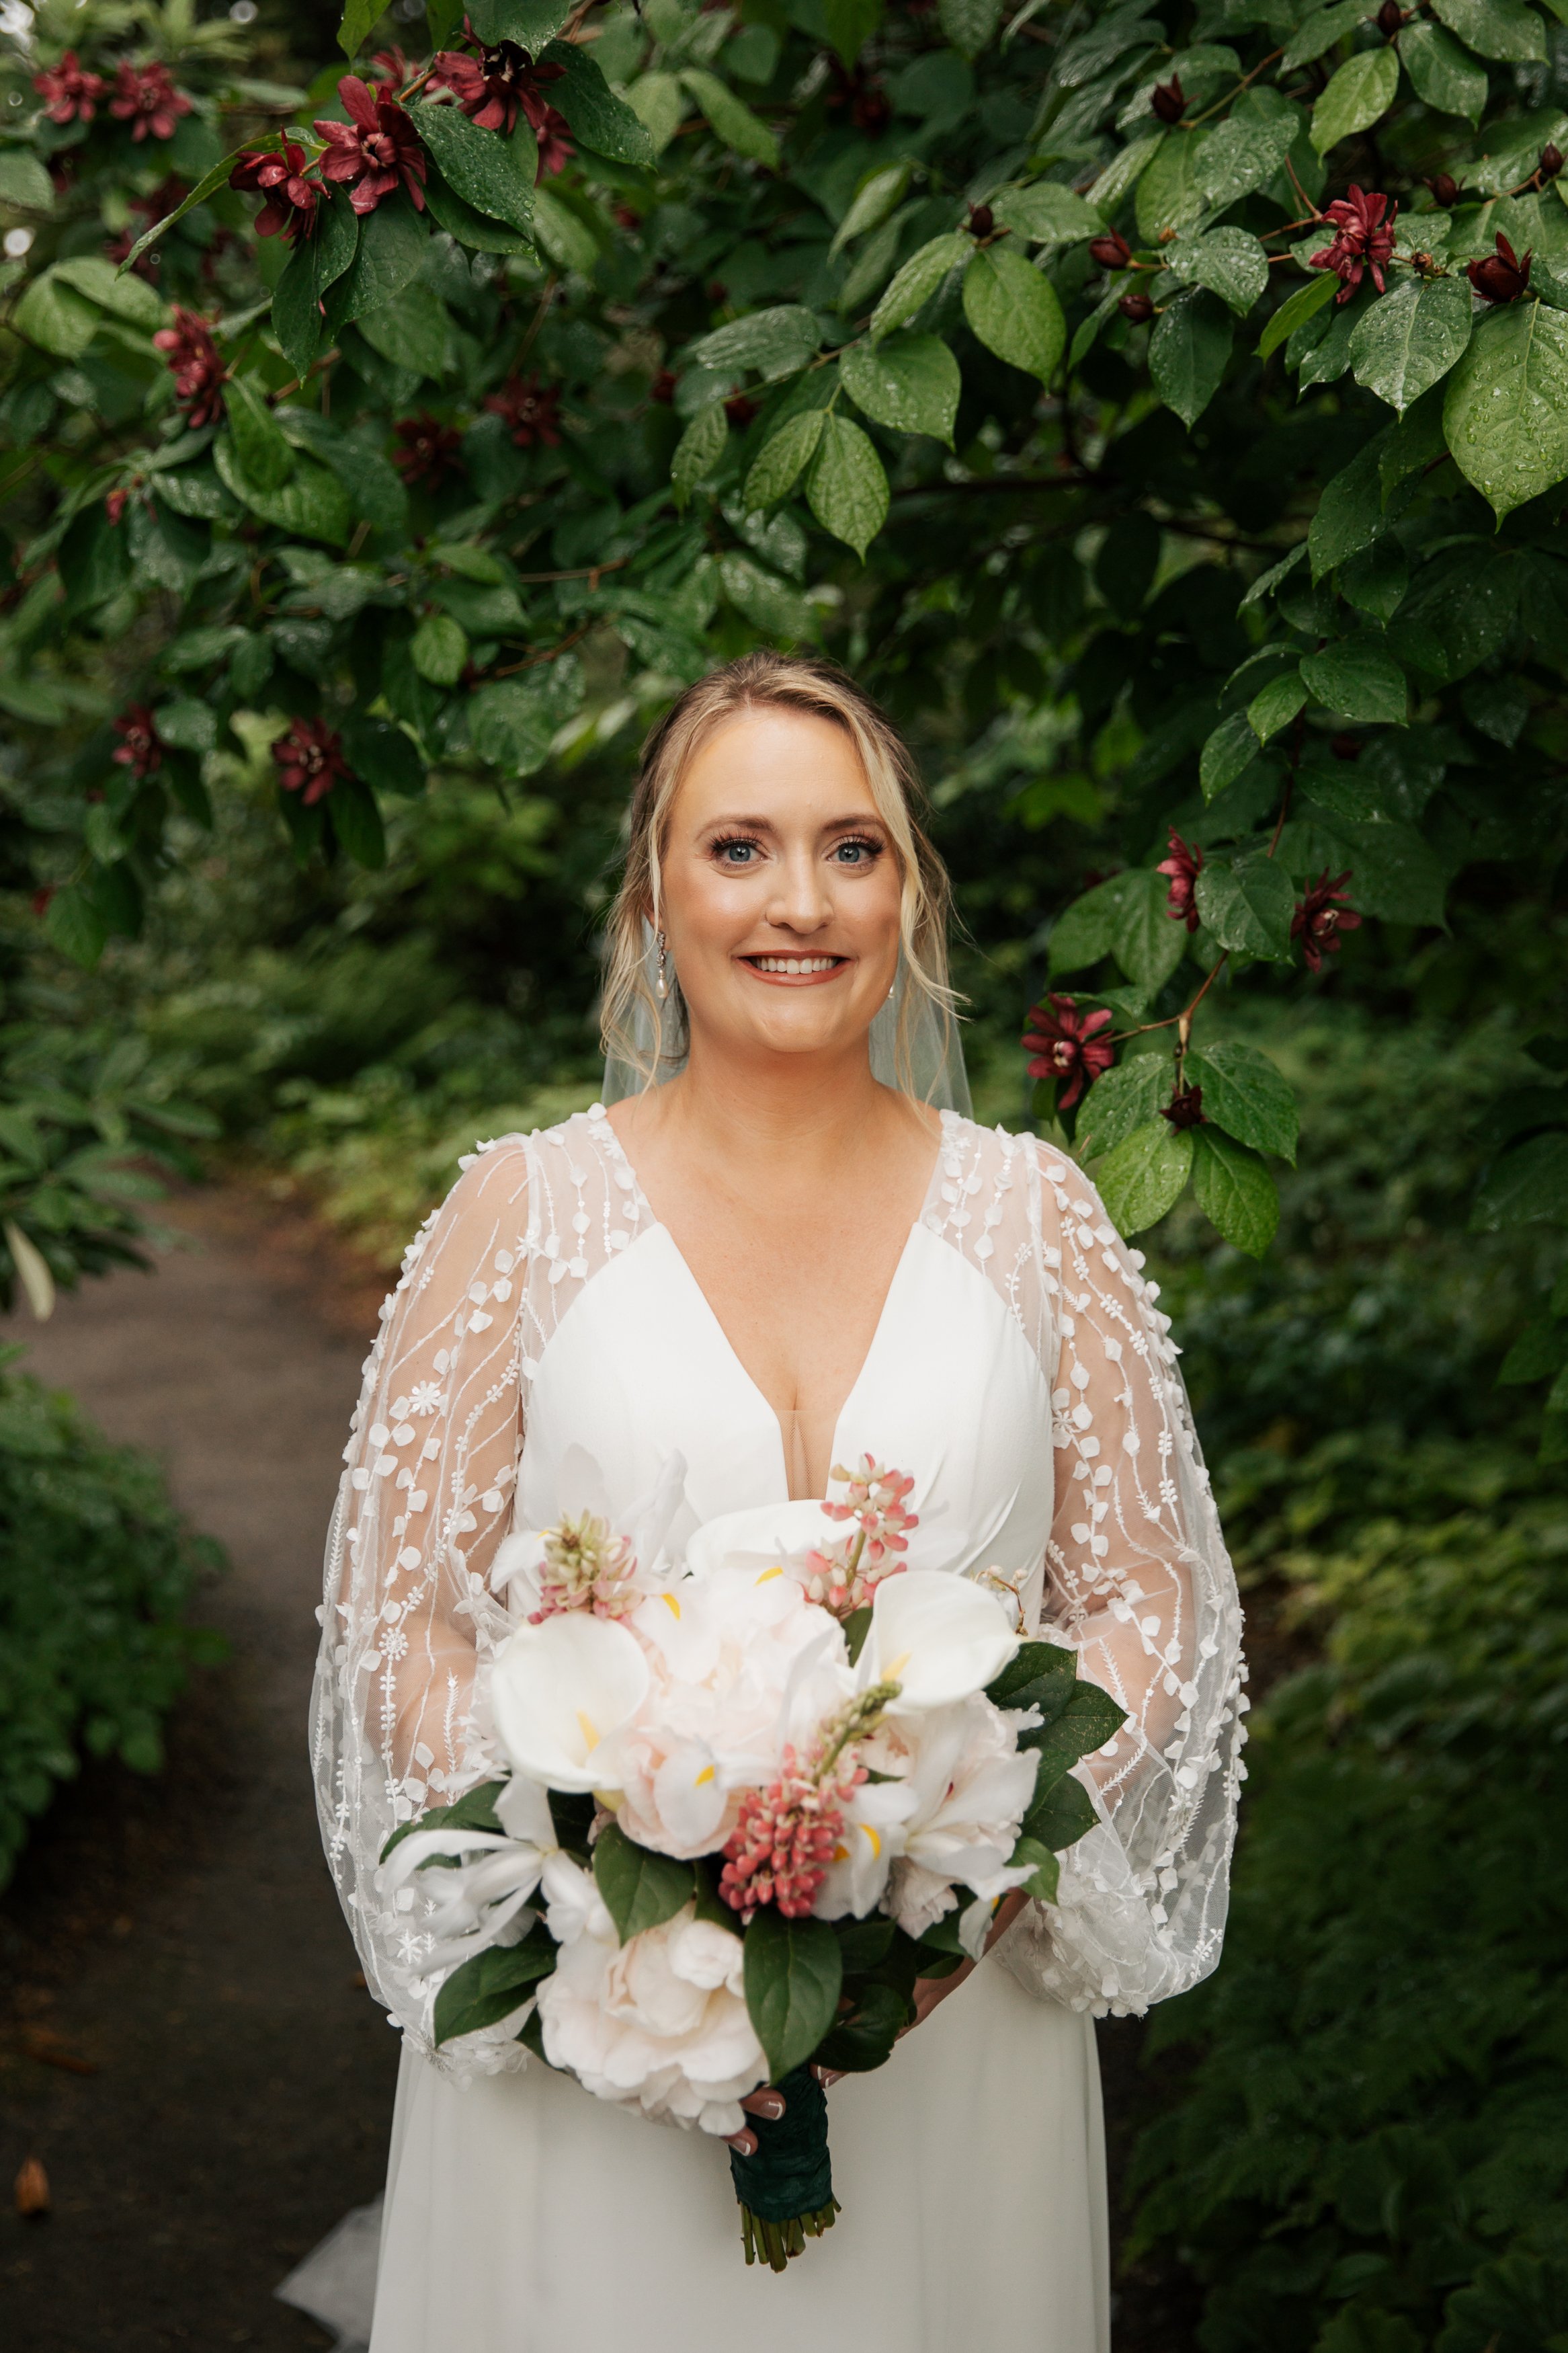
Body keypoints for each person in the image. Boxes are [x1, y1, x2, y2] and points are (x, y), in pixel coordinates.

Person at [309, 652, 1245, 2353]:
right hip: (610, 2024)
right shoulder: (518, 1219)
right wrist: (603, 1879)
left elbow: (1146, 1595)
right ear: (654, 893)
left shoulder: (1041, 1220)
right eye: (737, 847)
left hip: (950, 2043)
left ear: (909, 891)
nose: (797, 901)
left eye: (852, 848)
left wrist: (980, 1875)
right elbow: (405, 1614)